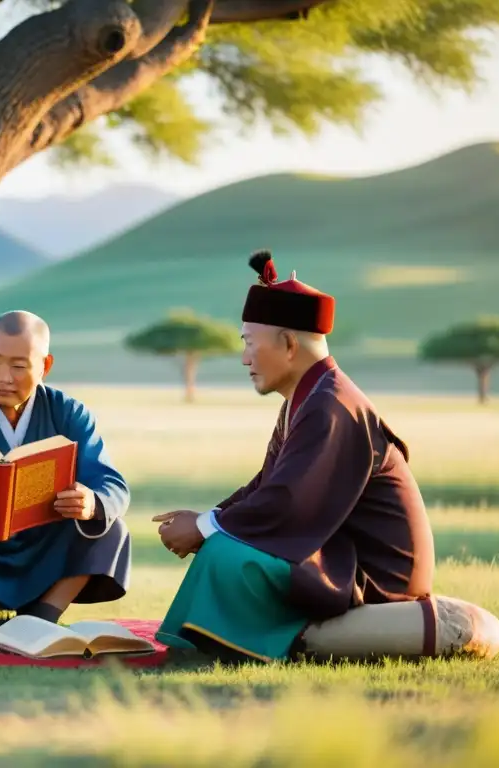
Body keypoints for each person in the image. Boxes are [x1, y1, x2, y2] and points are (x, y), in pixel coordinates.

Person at [152, 250, 443, 662]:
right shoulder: (307, 399)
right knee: (224, 547)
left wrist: (204, 527)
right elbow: (266, 485)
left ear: (289, 344)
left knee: (225, 552)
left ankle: (223, 642)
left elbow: (288, 503)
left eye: (250, 343)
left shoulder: (332, 405)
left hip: (377, 577)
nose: (244, 358)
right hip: (337, 555)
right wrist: (209, 518)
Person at [0, 310, 132, 637]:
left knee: (111, 528)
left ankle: (40, 619)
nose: (4, 377)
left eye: (18, 366)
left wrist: (90, 503)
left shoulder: (69, 413)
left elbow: (112, 484)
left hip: (43, 542)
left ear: (45, 366)